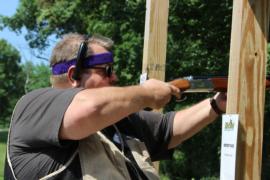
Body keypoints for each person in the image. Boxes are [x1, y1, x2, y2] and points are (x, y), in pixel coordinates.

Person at [4, 33, 226, 180]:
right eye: (107, 70)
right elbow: (88, 110)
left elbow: (168, 129)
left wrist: (215, 105)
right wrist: (147, 93)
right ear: (73, 75)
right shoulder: (33, 105)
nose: (115, 76)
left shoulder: (118, 121)